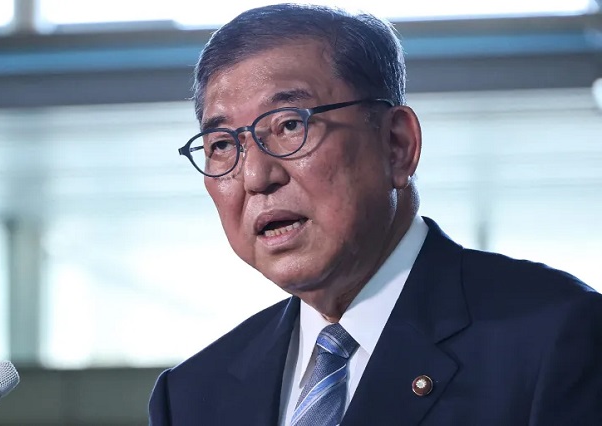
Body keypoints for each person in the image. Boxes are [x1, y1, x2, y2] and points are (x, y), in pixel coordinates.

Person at [148, 4, 602, 425]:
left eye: (289, 125)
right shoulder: (190, 397)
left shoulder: (557, 336)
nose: (255, 176)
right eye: (222, 145)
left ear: (397, 145)